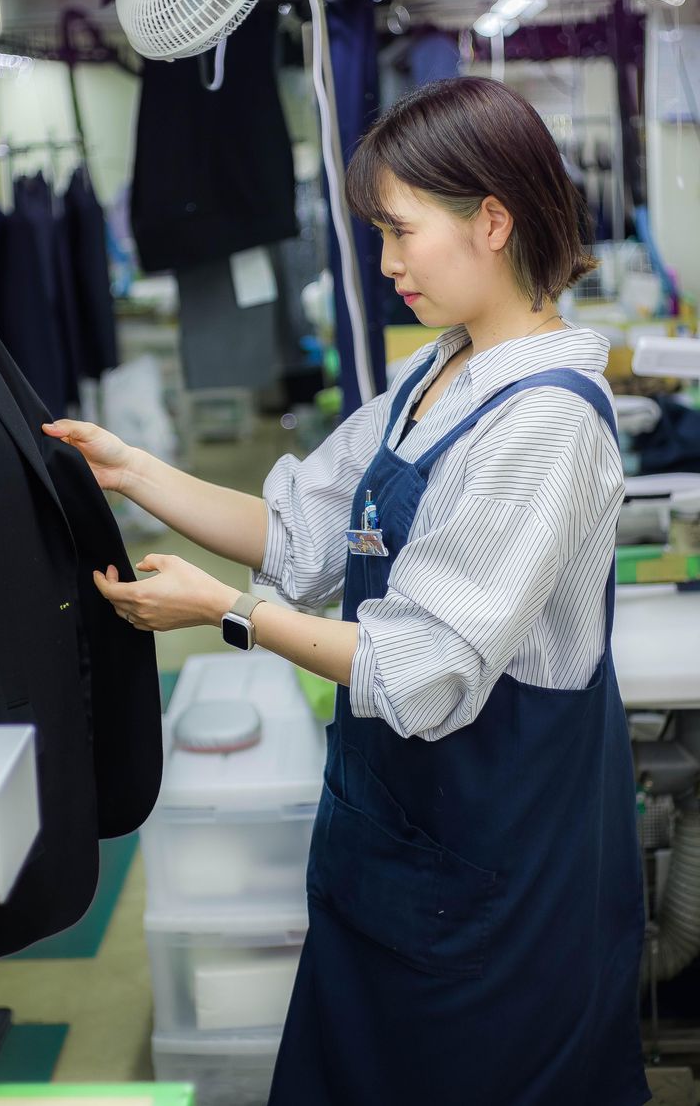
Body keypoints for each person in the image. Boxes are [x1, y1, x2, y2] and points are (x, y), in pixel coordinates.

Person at [43, 77, 649, 1106]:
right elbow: (299, 530)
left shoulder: (543, 423)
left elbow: (417, 669)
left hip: (497, 879)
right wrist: (134, 470)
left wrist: (226, 611)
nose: (386, 264)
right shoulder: (437, 375)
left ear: (492, 221)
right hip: (396, 849)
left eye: (401, 232)